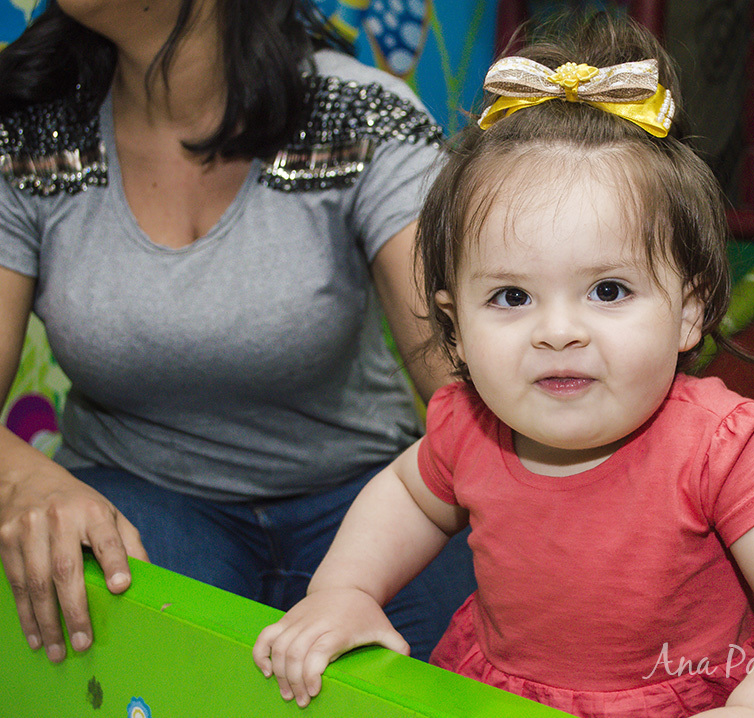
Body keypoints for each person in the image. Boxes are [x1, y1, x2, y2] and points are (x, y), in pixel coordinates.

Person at [253, 13, 754, 718]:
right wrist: (346, 589)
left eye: (608, 291)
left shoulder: (717, 447)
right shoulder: (471, 427)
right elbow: (405, 496)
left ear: (688, 312)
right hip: (498, 695)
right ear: (454, 326)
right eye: (512, 296)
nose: (557, 332)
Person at [0, 0, 475, 665]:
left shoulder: (363, 114)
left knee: (457, 663)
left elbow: (468, 384)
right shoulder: (29, 136)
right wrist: (27, 481)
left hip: (373, 495)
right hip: (139, 492)